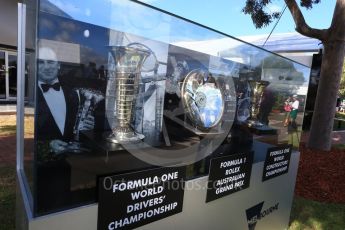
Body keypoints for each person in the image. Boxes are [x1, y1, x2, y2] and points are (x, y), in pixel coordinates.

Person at [37, 46, 97, 154]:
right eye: (41, 62)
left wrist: (88, 128)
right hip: (42, 166)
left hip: (73, 164)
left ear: (58, 65)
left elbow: (80, 133)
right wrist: (47, 145)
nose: (46, 67)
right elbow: (23, 138)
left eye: (50, 62)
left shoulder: (74, 93)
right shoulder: (30, 95)